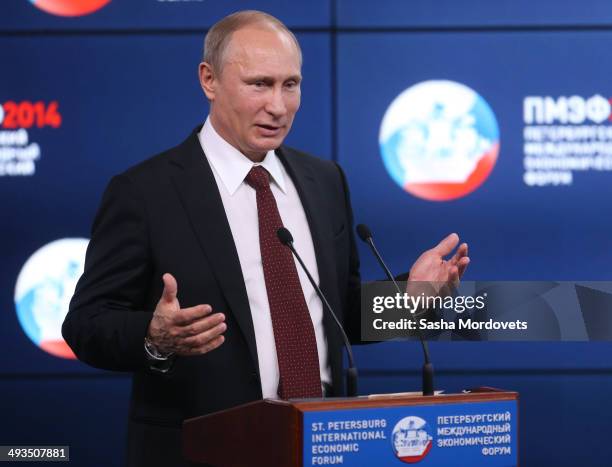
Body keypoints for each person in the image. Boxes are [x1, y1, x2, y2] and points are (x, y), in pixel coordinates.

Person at [62, 10, 469, 467]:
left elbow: (338, 311)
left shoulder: (324, 180)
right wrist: (155, 337)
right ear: (209, 80)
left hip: (325, 446)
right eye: (259, 84)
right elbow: (86, 324)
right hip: (203, 452)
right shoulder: (145, 192)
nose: (278, 105)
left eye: (290, 85)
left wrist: (405, 300)